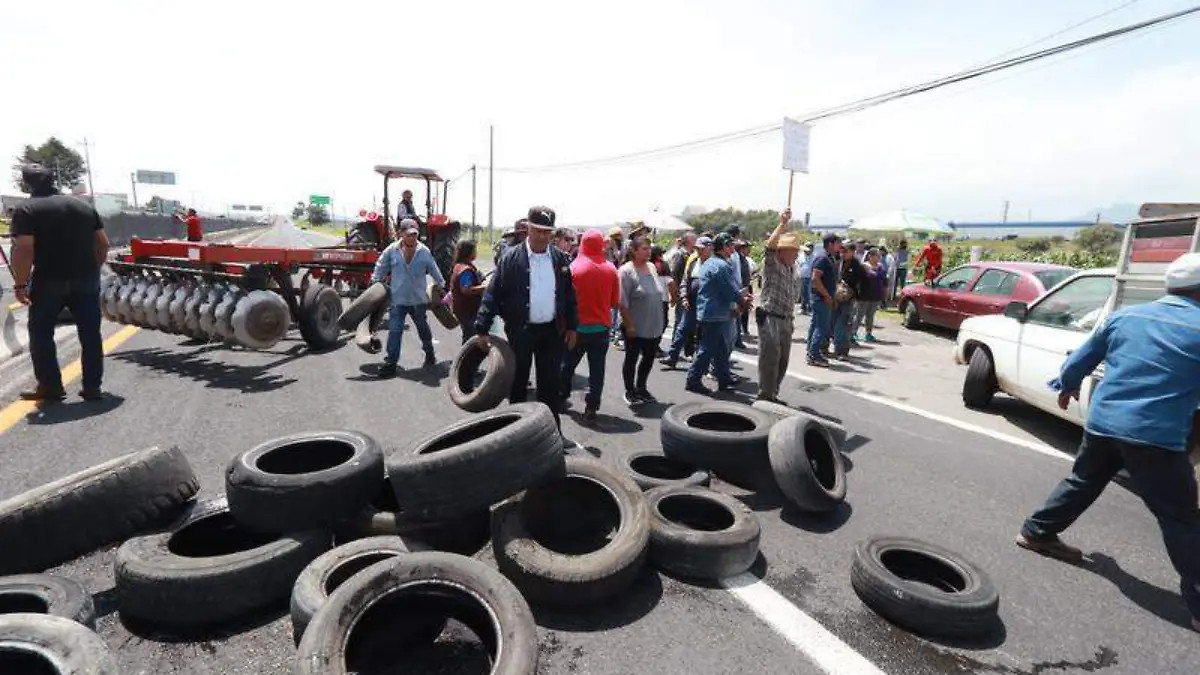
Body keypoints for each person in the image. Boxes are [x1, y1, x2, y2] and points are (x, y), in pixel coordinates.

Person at [1015, 253, 1200, 634]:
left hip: (1103, 424)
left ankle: (1036, 532)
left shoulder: (1126, 317)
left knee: (1083, 480)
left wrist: (1066, 387)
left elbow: (1077, 362)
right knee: (1180, 517)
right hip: (1155, 437)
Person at [8, 164, 111, 401]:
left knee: (41, 332)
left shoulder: (26, 210)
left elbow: (24, 248)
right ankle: (93, 387)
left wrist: (20, 284)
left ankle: (51, 386)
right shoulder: (82, 206)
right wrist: (93, 268)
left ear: (26, 184)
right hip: (86, 279)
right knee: (90, 333)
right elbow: (103, 243)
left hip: (49, 279)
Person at [476, 206, 578, 430]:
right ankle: (516, 431)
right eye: (537, 230)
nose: (542, 236)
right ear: (528, 229)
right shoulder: (511, 258)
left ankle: (551, 431)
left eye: (547, 232)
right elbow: (493, 293)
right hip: (521, 330)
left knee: (550, 384)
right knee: (518, 381)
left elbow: (569, 295)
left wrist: (572, 327)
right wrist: (482, 328)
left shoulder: (560, 260)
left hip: (552, 332)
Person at [371, 219, 446, 376]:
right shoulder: (392, 250)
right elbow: (381, 266)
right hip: (398, 299)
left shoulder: (424, 251)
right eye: (409, 235)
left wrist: (441, 285)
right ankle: (391, 363)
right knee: (395, 331)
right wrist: (376, 281)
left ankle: (429, 352)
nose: (413, 238)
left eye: (415, 235)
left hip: (418, 300)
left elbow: (433, 269)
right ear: (401, 234)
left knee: (423, 329)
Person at [561, 230, 619, 421]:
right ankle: (592, 406)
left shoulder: (573, 268)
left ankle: (561, 398)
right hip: (601, 328)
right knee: (597, 370)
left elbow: (564, 300)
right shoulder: (611, 269)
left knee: (567, 366)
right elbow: (613, 301)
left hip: (576, 328)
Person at [686, 233, 748, 394]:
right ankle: (693, 380)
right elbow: (729, 290)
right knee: (706, 349)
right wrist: (742, 302)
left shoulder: (710, 262)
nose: (733, 249)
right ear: (724, 247)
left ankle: (724, 379)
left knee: (720, 349)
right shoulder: (721, 266)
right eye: (730, 246)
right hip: (714, 314)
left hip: (711, 311)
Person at [755, 209, 803, 404]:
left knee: (783, 360)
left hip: (786, 319)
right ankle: (765, 395)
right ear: (782, 251)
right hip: (771, 317)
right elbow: (769, 247)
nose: (797, 253)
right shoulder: (772, 264)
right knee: (770, 359)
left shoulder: (793, 268)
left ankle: (772, 393)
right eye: (793, 250)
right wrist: (782, 224)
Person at [618, 237, 667, 405]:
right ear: (634, 250)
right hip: (635, 325)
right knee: (631, 358)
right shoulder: (626, 271)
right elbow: (622, 303)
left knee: (648, 357)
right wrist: (629, 325)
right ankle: (630, 391)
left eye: (649, 248)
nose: (649, 252)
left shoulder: (652, 267)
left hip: (653, 324)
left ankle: (641, 387)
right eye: (645, 249)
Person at [662, 236, 710, 368]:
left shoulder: (714, 263)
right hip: (691, 302)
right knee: (682, 329)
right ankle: (673, 357)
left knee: (702, 334)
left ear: (709, 248)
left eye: (702, 248)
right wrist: (684, 297)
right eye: (697, 248)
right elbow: (685, 281)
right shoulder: (693, 261)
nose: (699, 251)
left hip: (707, 304)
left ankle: (701, 364)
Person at [806, 234, 842, 368]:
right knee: (821, 326)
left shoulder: (830, 258)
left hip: (823, 297)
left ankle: (811, 352)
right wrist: (827, 296)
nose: (840, 246)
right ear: (831, 244)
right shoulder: (822, 258)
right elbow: (815, 279)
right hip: (821, 299)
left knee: (816, 325)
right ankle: (814, 354)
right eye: (838, 243)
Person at [449, 240, 488, 345]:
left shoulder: (459, 266)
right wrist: (484, 288)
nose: (476, 252)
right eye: (474, 250)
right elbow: (466, 289)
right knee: (471, 340)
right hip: (467, 311)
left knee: (468, 337)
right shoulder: (465, 270)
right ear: (469, 252)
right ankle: (464, 360)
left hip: (462, 309)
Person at [832, 244, 867, 356]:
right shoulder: (838, 262)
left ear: (852, 252)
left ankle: (842, 351)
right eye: (842, 251)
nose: (843, 254)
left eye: (845, 251)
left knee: (845, 325)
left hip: (849, 300)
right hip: (836, 298)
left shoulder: (857, 266)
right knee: (834, 323)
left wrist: (856, 296)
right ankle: (836, 348)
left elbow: (864, 283)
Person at [853, 249, 884, 343]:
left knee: (870, 316)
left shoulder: (880, 267)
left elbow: (883, 280)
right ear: (870, 256)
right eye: (877, 256)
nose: (879, 258)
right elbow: (860, 280)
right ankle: (853, 333)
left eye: (879, 256)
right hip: (864, 295)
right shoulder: (864, 266)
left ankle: (868, 334)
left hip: (876, 296)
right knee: (859, 315)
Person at [798, 243, 814, 315]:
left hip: (811, 278)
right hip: (802, 278)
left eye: (811, 247)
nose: (809, 249)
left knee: (809, 294)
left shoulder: (814, 257)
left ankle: (810, 309)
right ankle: (803, 308)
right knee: (803, 294)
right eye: (808, 247)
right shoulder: (800, 256)